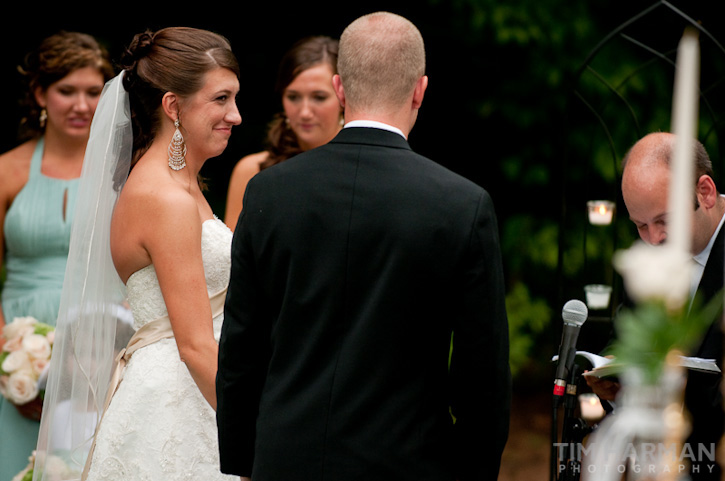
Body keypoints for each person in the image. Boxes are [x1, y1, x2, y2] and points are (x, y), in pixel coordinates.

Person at [217, 11, 511, 481]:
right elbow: (482, 377)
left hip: (284, 458)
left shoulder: (270, 192)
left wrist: (243, 460)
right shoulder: (461, 205)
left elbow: (240, 349)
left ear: (339, 88)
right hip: (406, 461)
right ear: (420, 90)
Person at [33, 27, 241, 480]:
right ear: (173, 106)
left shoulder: (179, 186)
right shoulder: (163, 197)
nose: (236, 115)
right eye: (221, 99)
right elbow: (195, 344)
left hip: (192, 394)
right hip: (182, 403)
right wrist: (258, 434)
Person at [0, 31, 114, 481]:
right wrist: (7, 365)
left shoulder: (125, 174)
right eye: (67, 90)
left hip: (101, 345)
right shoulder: (7, 170)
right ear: (39, 93)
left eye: (93, 92)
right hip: (13, 345)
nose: (81, 105)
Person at [586, 131, 725, 480]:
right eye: (640, 226)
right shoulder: (649, 259)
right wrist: (614, 379)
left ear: (704, 192)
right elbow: (623, 334)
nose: (653, 239)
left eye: (664, 220)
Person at [224, 35, 341, 230]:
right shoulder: (252, 171)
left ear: (343, 98)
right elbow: (233, 256)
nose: (304, 112)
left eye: (319, 97)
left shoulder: (364, 168)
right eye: (293, 97)